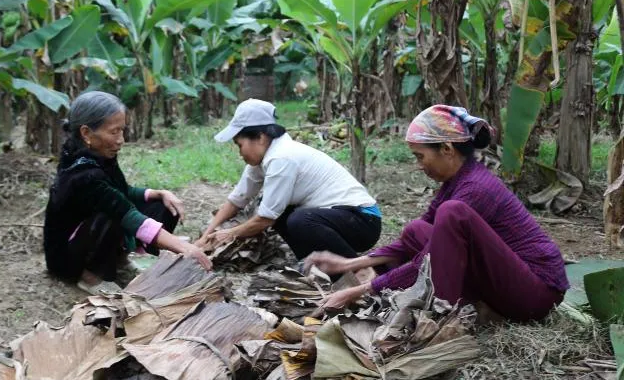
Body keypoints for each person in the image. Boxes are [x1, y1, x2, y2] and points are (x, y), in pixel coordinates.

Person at [305, 105, 569, 322]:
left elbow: (426, 259)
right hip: (513, 282)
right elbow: (419, 238)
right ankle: (477, 304)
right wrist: (350, 263)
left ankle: (445, 313)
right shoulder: (456, 182)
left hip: (536, 294)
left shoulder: (475, 189)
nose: (418, 166)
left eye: (420, 157)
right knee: (415, 230)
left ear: (447, 149)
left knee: (451, 214)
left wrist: (357, 291)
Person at [44, 91, 211, 290]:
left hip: (91, 230)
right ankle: (88, 275)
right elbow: (124, 212)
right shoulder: (81, 173)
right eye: (114, 132)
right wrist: (182, 247)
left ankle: (119, 259)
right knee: (113, 215)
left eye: (122, 131)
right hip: (67, 255)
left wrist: (157, 193)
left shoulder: (98, 154)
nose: (121, 139)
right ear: (86, 133)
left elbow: (119, 191)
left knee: (161, 206)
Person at [197, 99, 382, 262]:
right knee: (282, 212)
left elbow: (265, 219)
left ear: (260, 137)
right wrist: (206, 235)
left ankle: (357, 269)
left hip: (363, 221)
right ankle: (314, 264)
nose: (240, 153)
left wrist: (229, 234)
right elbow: (237, 199)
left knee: (298, 220)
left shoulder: (281, 158)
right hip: (341, 218)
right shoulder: (264, 159)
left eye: (240, 145)